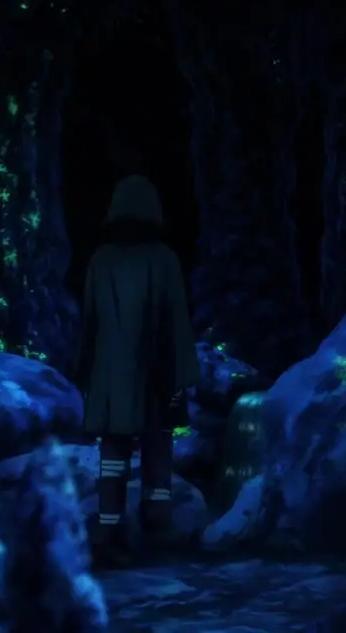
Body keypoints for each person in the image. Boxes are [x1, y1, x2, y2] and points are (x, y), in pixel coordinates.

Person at [73, 174, 200, 567]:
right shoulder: (164, 259)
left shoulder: (101, 260)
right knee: (158, 444)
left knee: (113, 451)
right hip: (156, 374)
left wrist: (85, 374)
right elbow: (178, 321)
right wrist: (181, 377)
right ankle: (157, 523)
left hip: (111, 378)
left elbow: (89, 322)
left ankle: (109, 529)